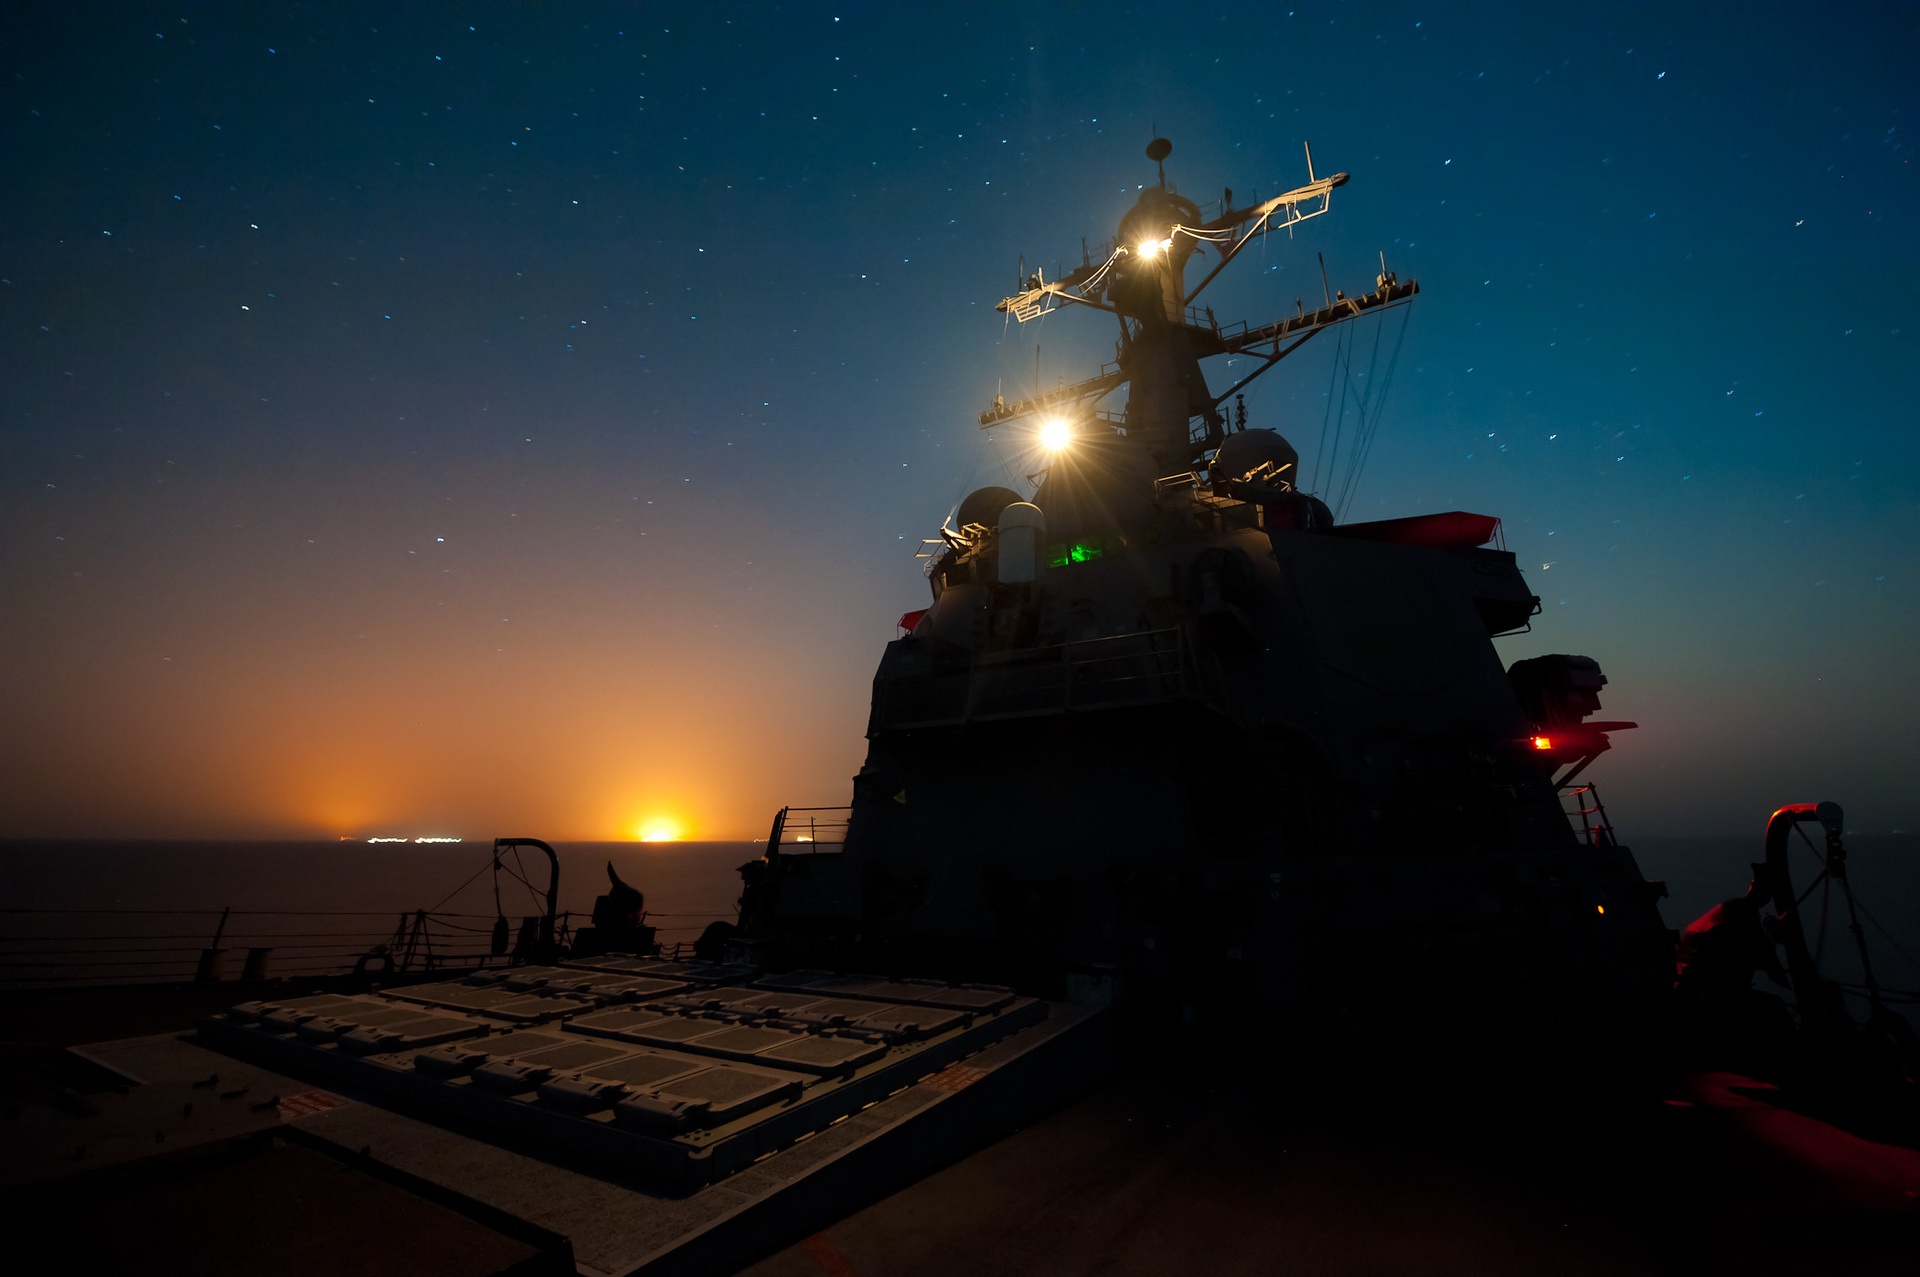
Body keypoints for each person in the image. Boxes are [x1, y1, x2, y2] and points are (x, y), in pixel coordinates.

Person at [1674, 863, 1792, 1068]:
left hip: (1698, 988)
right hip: (1707, 992)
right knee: (1774, 1009)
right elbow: (1766, 962)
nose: (1767, 896)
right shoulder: (1740, 915)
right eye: (1766, 890)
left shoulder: (1734, 911)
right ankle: (1785, 1066)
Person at [569, 862, 656, 959]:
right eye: (632, 909)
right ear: (618, 912)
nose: (637, 915)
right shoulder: (632, 942)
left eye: (637, 909)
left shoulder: (588, 940)